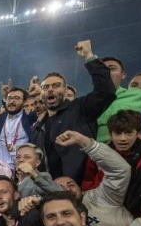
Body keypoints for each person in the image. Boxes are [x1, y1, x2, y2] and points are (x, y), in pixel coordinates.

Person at [31, 39, 116, 184]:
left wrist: (89, 56)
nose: (50, 89)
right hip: (51, 188)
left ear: (65, 91)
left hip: (80, 186)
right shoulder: (38, 127)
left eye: (56, 85)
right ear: (41, 94)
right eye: (45, 87)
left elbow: (106, 91)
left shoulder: (80, 108)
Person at [53, 130, 132, 226]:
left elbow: (120, 170)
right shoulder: (54, 216)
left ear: (79, 188)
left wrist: (84, 141)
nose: (68, 189)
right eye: (60, 187)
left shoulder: (101, 197)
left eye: (71, 184)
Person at [0, 86, 37, 158]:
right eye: (9, 98)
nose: (11, 101)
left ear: (24, 102)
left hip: (23, 161)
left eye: (16, 98)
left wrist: (36, 92)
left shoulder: (30, 118)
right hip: (1, 161)